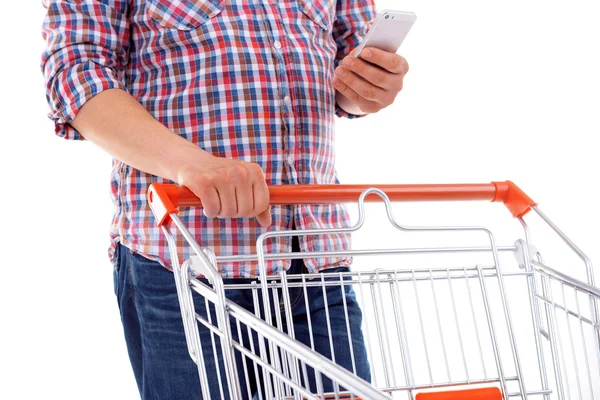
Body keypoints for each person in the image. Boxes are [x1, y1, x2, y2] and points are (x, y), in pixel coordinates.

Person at [41, 0, 409, 398]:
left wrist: (371, 86)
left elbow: (350, 73)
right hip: (188, 266)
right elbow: (76, 74)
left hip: (316, 263)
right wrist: (191, 165)